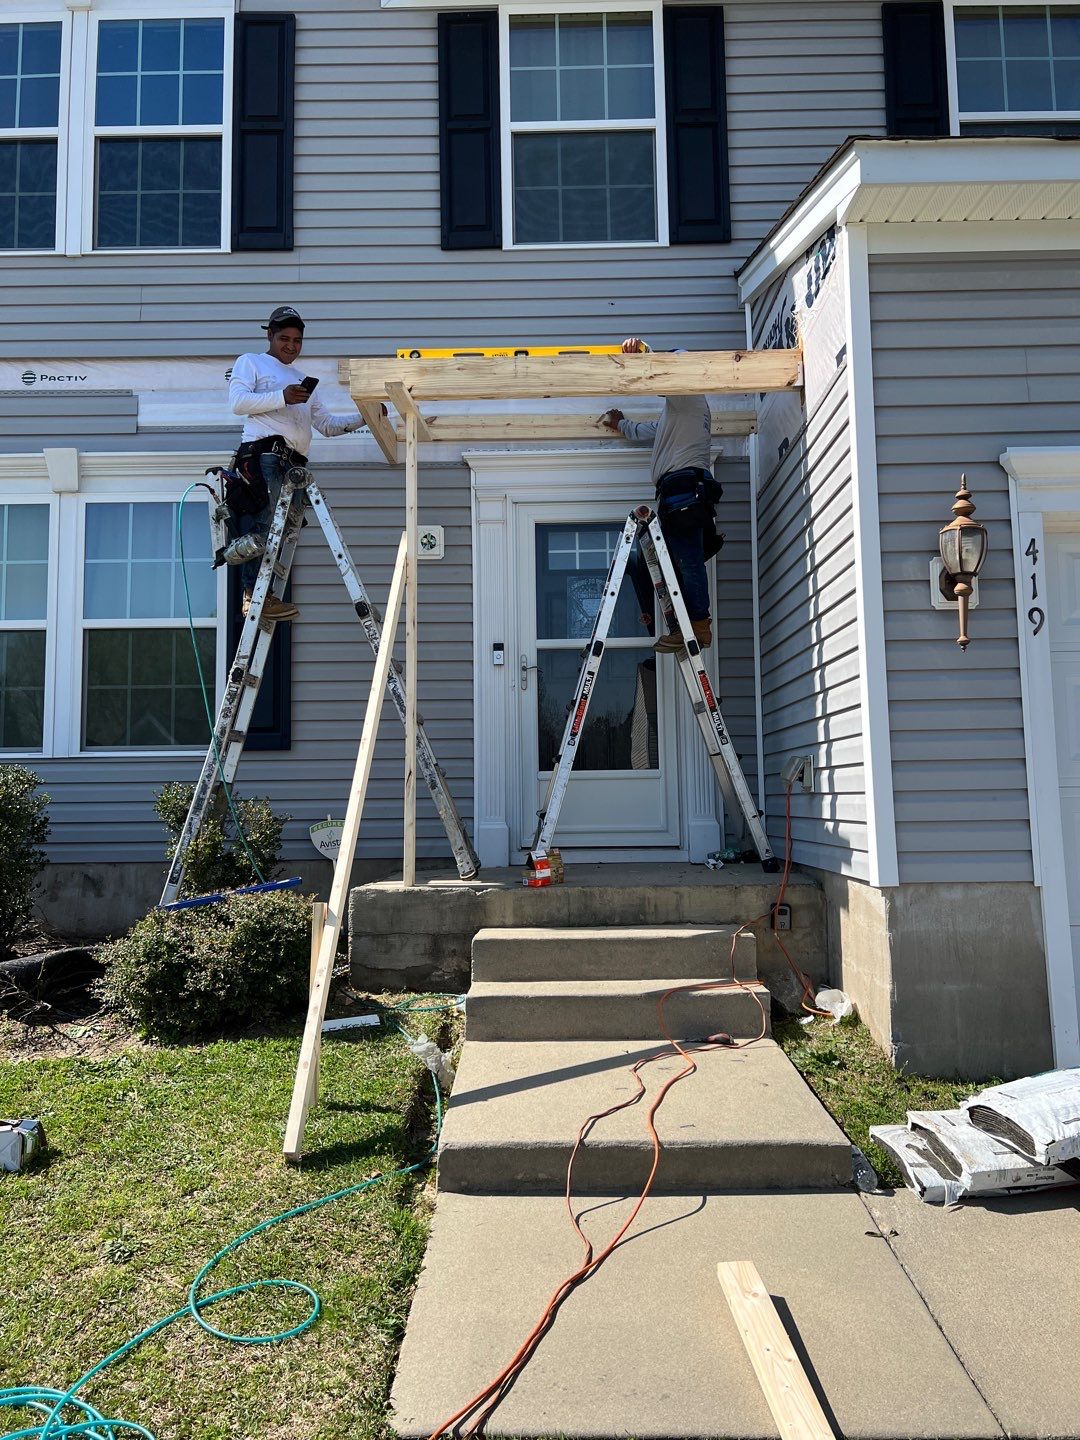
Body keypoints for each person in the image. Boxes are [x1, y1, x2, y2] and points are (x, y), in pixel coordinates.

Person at [228, 305, 368, 621]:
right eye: (284, 338)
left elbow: (327, 424)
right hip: (265, 454)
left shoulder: (303, 381)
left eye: (297, 340)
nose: (291, 345)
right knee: (266, 525)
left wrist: (365, 418)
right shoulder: (251, 362)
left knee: (283, 531)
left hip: (294, 465)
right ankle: (254, 597)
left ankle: (265, 595)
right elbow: (237, 403)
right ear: (270, 335)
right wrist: (283, 397)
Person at [600, 337, 722, 653]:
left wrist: (643, 353)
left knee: (686, 560)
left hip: (684, 490)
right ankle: (681, 624)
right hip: (676, 492)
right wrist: (621, 424)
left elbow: (663, 373)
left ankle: (698, 625)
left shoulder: (690, 397)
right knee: (655, 561)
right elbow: (650, 432)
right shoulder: (679, 413)